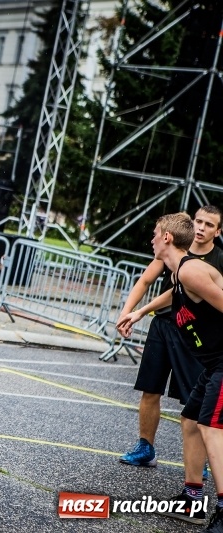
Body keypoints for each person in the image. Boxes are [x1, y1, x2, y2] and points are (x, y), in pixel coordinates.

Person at [119, 213, 223, 532]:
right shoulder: (182, 270)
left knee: (210, 425)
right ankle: (192, 500)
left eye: (154, 234)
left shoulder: (191, 270)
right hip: (212, 363)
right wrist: (139, 312)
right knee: (191, 420)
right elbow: (173, 293)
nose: (150, 239)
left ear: (166, 238)